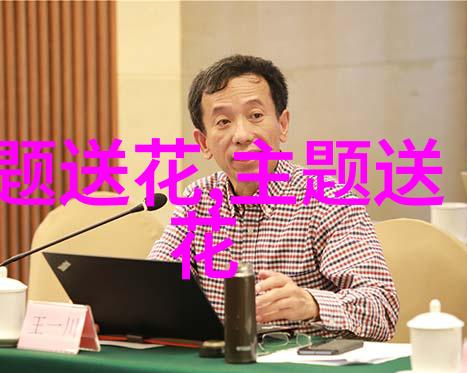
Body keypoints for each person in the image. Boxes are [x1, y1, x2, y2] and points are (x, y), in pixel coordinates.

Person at [148, 55, 399, 341]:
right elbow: (154, 287)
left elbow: (382, 309)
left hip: (304, 365)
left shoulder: (328, 201)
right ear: (204, 142)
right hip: (220, 362)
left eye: (255, 116)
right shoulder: (198, 200)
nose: (242, 135)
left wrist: (311, 304)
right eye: (223, 121)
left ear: (282, 124)